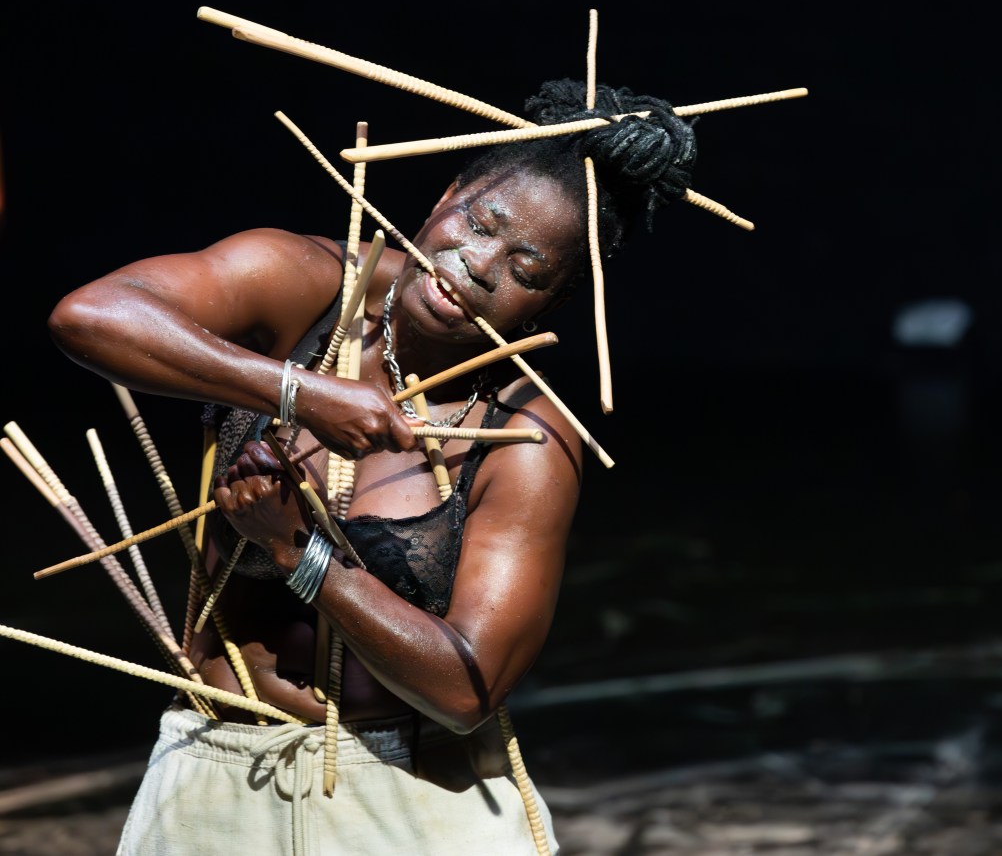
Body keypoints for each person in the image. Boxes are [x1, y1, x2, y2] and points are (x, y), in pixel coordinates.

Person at [45, 77, 699, 855]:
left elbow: (467, 690)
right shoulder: (309, 287)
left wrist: (301, 555)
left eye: (525, 270)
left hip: (409, 801)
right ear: (445, 192)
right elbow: (88, 318)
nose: (478, 265)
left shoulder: (526, 436)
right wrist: (298, 391)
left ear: (553, 303)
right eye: (479, 223)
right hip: (217, 777)